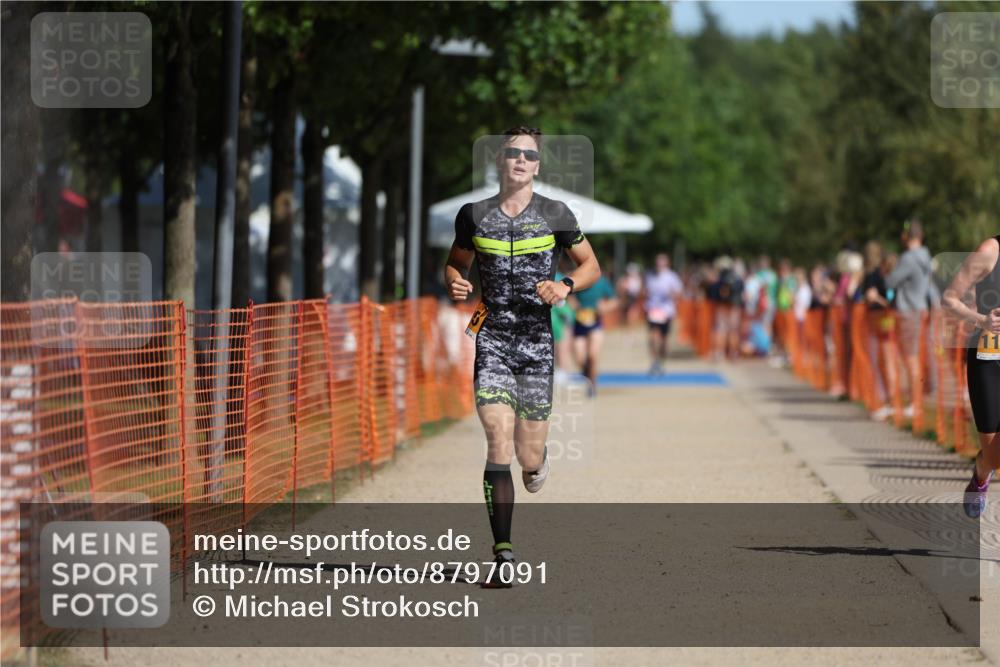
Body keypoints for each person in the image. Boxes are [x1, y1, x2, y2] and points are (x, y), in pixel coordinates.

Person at [444, 126, 601, 586]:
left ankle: (537, 459)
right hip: (491, 339)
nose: (519, 160)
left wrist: (565, 284)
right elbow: (455, 263)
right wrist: (453, 279)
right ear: (499, 160)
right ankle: (503, 555)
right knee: (497, 439)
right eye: (511, 153)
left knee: (527, 457)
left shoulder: (555, 213)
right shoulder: (473, 215)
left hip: (535, 344)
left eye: (527, 155)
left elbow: (591, 265)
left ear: (537, 166)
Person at [943, 234, 1000, 518]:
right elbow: (949, 299)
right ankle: (981, 471)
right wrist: (982, 320)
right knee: (994, 456)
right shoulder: (990, 251)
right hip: (989, 358)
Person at [885, 220, 933, 419]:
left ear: (907, 236)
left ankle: (915, 403)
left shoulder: (908, 258)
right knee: (916, 356)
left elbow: (891, 281)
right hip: (920, 308)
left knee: (910, 358)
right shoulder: (926, 256)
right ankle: (917, 401)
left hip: (908, 311)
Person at [860, 241, 898, 421]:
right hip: (878, 320)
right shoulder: (877, 276)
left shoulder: (890, 279)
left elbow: (891, 302)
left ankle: (890, 401)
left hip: (886, 321)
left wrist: (877, 299)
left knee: (887, 360)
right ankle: (885, 400)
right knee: (881, 361)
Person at [572, 272, 617, 395]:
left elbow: (614, 301)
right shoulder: (577, 279)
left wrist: (605, 307)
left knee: (592, 356)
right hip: (579, 324)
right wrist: (573, 305)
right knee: (580, 358)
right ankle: (587, 374)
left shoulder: (602, 282)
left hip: (596, 323)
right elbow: (570, 298)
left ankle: (592, 384)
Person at [643, 253, 683, 375]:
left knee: (664, 340)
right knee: (653, 337)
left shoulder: (672, 277)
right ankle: (654, 362)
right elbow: (645, 291)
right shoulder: (650, 276)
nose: (659, 265)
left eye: (662, 263)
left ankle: (661, 361)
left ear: (666, 264)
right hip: (653, 310)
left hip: (666, 311)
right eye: (657, 263)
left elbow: (679, 293)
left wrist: (671, 294)